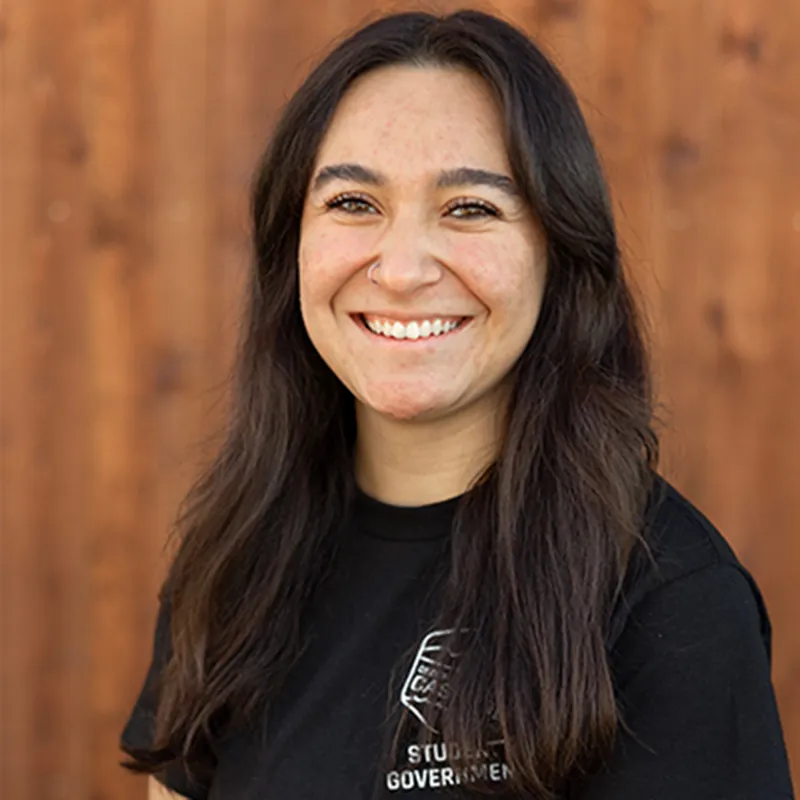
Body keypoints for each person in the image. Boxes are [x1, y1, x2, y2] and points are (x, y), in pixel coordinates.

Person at [119, 10, 795, 800]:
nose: (401, 269)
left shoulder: (668, 600)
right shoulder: (234, 560)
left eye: (469, 208)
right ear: (290, 248)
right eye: (353, 204)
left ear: (559, 255)